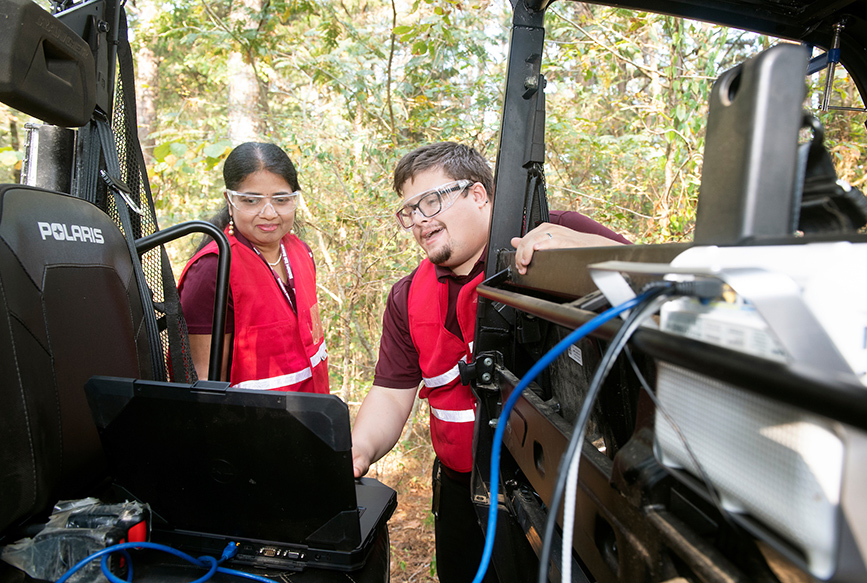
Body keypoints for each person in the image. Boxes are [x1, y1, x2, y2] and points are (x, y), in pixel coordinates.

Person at [350, 142, 629, 582]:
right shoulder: (407, 297)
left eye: (431, 201)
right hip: (462, 492)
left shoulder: (555, 234)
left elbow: (673, 282)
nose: (420, 221)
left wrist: (586, 251)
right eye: (409, 211)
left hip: (561, 496)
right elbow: (391, 392)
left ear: (479, 194)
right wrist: (357, 451)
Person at [177, 142, 328, 393]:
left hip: (312, 419)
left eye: (281, 200)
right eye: (251, 201)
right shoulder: (213, 269)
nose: (269, 213)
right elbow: (202, 383)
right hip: (250, 426)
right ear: (230, 200)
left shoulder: (300, 251)